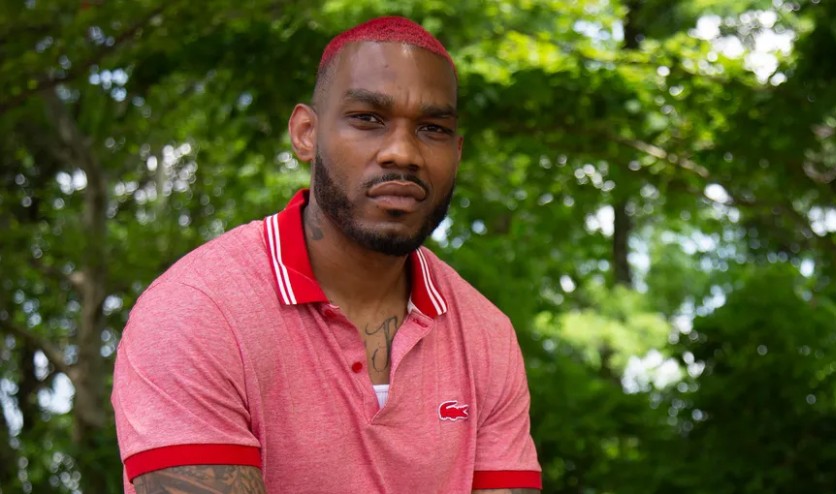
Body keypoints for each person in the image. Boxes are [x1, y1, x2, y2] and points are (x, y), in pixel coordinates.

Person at [111, 16, 541, 493]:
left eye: (432, 128)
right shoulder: (197, 311)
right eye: (367, 119)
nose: (403, 152)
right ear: (305, 134)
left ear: (457, 153)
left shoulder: (485, 334)